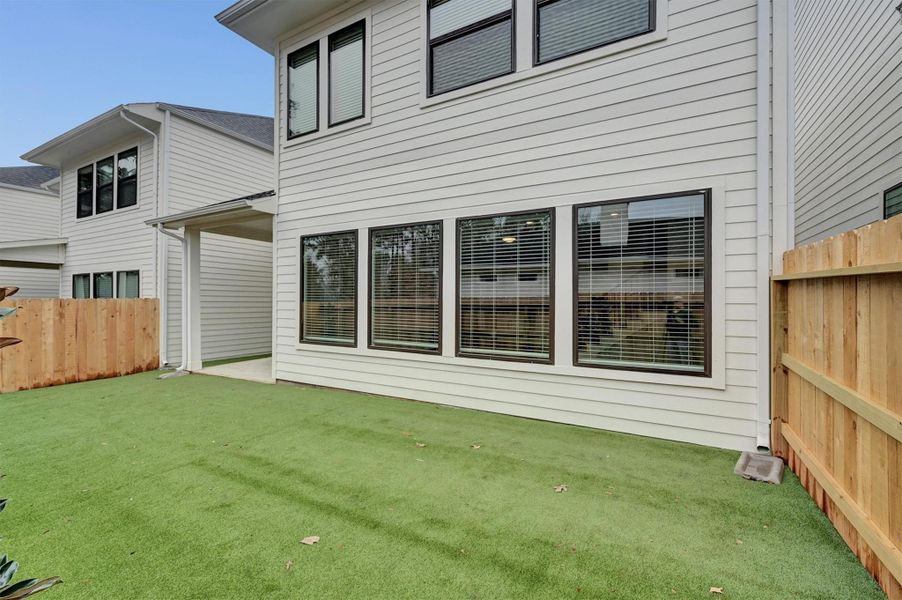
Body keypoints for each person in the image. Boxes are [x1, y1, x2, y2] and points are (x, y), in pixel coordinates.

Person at [666, 296, 690, 364]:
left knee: (684, 358)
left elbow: (695, 324)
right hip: (671, 338)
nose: (675, 303)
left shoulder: (687, 312)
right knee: (673, 357)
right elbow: (667, 324)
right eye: (674, 302)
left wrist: (683, 322)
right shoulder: (671, 312)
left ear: (682, 302)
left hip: (682, 338)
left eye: (677, 301)